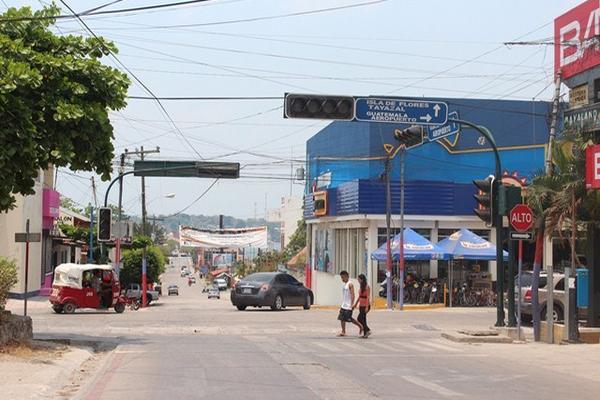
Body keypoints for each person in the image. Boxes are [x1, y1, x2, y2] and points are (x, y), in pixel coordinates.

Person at [337, 270, 363, 337]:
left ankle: (360, 326)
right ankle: (343, 331)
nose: (342, 279)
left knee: (349, 318)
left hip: (348, 305)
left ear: (347, 276)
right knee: (341, 318)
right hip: (344, 305)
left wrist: (352, 304)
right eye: (341, 278)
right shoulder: (345, 284)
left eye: (343, 277)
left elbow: (352, 294)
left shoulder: (350, 284)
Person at [354, 274, 371, 338]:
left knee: (359, 318)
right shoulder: (361, 287)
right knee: (363, 319)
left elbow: (368, 297)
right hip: (361, 305)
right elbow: (359, 297)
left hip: (365, 305)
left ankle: (368, 330)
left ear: (362, 279)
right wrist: (355, 304)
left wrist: (367, 306)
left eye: (359, 279)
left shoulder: (367, 287)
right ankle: (365, 334)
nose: (358, 280)